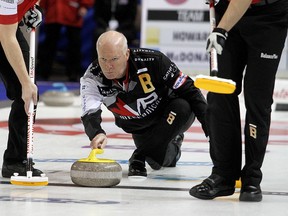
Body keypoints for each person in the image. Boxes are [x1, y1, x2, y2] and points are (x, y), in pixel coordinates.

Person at [189, 0, 288, 202]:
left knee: (257, 99)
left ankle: (252, 178)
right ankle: (223, 175)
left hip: (268, 16)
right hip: (227, 10)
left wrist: (222, 29)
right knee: (219, 94)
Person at [80, 30, 208, 179]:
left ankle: (138, 157)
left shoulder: (153, 61)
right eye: (103, 59)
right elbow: (89, 111)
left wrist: (210, 129)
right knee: (160, 161)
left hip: (170, 114)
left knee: (183, 106)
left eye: (114, 59)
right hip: (139, 127)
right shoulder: (92, 77)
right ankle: (171, 141)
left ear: (126, 54)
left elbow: (191, 90)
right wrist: (96, 133)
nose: (108, 66)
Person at [0, 1, 43, 177]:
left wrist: (32, 8)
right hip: (5, 32)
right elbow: (6, 37)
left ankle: (15, 161)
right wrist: (25, 83)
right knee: (25, 87)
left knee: (27, 94)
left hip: (5, 28)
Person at [37, 0, 94, 82]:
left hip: (73, 11)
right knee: (49, 44)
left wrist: (84, 5)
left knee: (74, 45)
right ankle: (44, 72)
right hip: (53, 10)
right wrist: (42, 5)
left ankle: (73, 73)